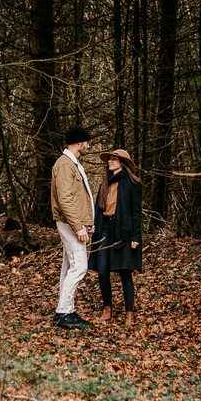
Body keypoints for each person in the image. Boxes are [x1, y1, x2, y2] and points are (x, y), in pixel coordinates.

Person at [89, 149, 143, 327]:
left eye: (113, 159)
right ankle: (107, 309)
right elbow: (99, 209)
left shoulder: (132, 183)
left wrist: (135, 235)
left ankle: (129, 314)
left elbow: (136, 212)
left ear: (123, 163)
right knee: (102, 270)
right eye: (109, 159)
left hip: (124, 230)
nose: (110, 162)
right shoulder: (105, 183)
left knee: (125, 272)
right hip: (105, 229)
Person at [51, 126, 95, 329]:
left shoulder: (73, 163)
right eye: (87, 142)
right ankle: (63, 312)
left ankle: (67, 310)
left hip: (74, 223)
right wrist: (78, 227)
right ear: (79, 142)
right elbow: (65, 199)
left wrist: (87, 223)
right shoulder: (65, 165)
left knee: (68, 266)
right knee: (80, 266)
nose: (89, 145)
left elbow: (79, 198)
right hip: (69, 223)